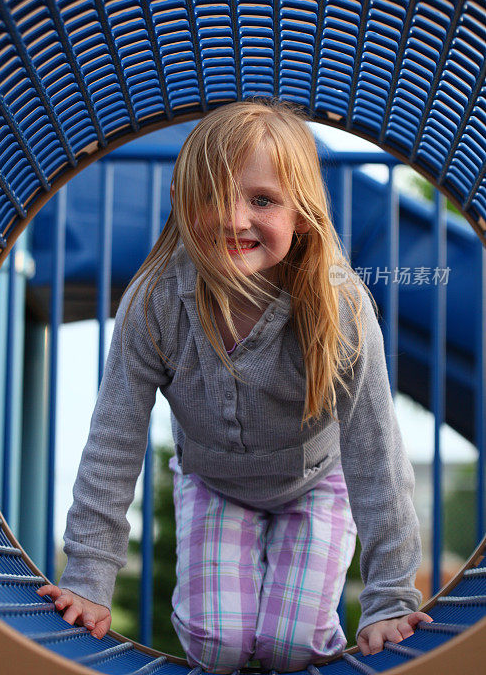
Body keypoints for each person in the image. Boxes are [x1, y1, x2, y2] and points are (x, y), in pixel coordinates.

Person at [38, 99, 431, 671]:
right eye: (212, 196)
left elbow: (375, 449)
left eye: (263, 200)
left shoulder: (336, 306)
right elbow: (114, 442)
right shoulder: (155, 304)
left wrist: (390, 598)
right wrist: (90, 579)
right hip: (215, 483)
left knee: (292, 646)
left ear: (302, 214)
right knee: (217, 645)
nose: (234, 218)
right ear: (179, 199)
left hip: (316, 484)